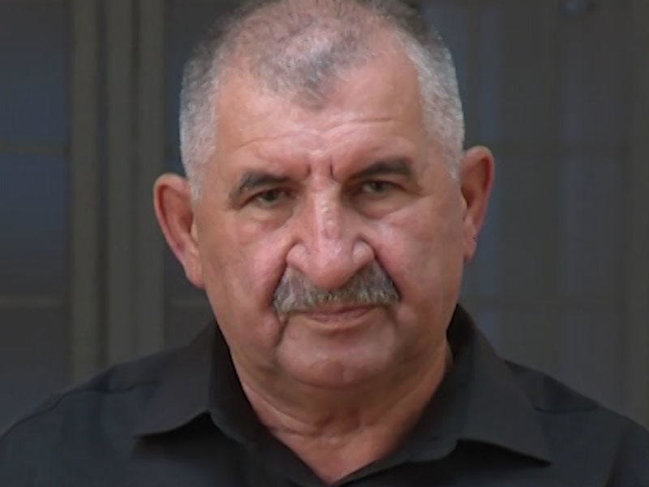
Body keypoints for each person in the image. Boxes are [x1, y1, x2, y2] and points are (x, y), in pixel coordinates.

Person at [1, 0, 648, 485]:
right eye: (270, 196)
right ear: (187, 231)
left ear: (467, 203)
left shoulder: (614, 471)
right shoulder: (50, 468)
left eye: (377, 187)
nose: (330, 260)